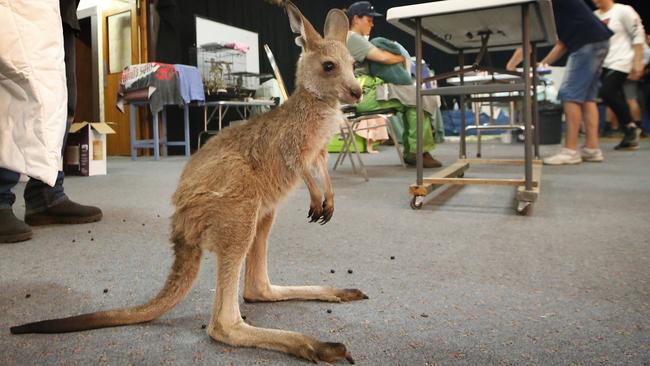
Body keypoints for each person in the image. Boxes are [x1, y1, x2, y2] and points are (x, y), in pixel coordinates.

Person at [0, 0, 102, 244]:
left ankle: (46, 192)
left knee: (56, 99)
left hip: (58, 11)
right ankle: (1, 196)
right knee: (12, 83)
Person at [507, 0, 612, 165]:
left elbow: (528, 40)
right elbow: (562, 43)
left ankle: (570, 151)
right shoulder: (558, 8)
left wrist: (510, 66)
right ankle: (592, 148)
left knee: (570, 95)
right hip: (599, 40)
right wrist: (543, 63)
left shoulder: (541, 5)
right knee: (587, 98)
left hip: (586, 43)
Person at [345, 1, 442, 168]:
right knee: (418, 99)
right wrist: (402, 58)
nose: (372, 23)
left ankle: (415, 152)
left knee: (413, 100)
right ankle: (418, 152)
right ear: (356, 19)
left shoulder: (354, 39)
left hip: (364, 91)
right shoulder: (352, 38)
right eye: (369, 19)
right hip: (361, 94)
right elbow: (384, 58)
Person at [593, 0, 646, 150]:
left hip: (622, 61)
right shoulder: (594, 15)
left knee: (607, 93)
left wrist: (638, 61)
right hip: (603, 63)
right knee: (614, 97)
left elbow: (638, 35)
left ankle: (631, 127)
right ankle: (629, 133)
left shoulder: (623, 10)